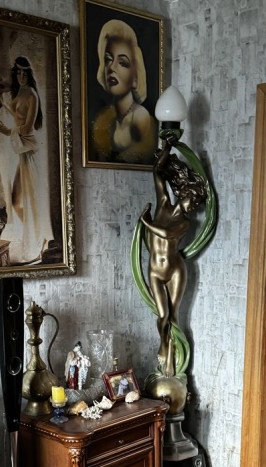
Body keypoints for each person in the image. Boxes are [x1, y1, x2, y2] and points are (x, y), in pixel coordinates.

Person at [139, 133, 208, 377]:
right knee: (163, 315)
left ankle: (172, 360)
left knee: (174, 317)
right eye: (191, 198)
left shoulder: (185, 223)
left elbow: (167, 234)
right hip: (155, 271)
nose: (193, 205)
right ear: (183, 193)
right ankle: (163, 343)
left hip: (176, 270)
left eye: (196, 203)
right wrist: (167, 147)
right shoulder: (163, 203)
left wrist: (146, 223)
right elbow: (157, 172)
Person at [0, 55, 53, 263]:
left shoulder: (32, 95)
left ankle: (39, 240)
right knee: (16, 201)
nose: (21, 76)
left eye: (24, 72)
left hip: (30, 150)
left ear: (29, 74)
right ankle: (38, 236)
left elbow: (27, 128)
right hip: (23, 150)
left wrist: (6, 130)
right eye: (18, 72)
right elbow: (17, 116)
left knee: (30, 200)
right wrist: (7, 108)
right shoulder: (20, 92)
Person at [91, 19, 157, 164]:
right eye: (108, 59)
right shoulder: (103, 120)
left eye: (122, 63)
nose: (111, 67)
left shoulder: (141, 117)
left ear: (135, 76)